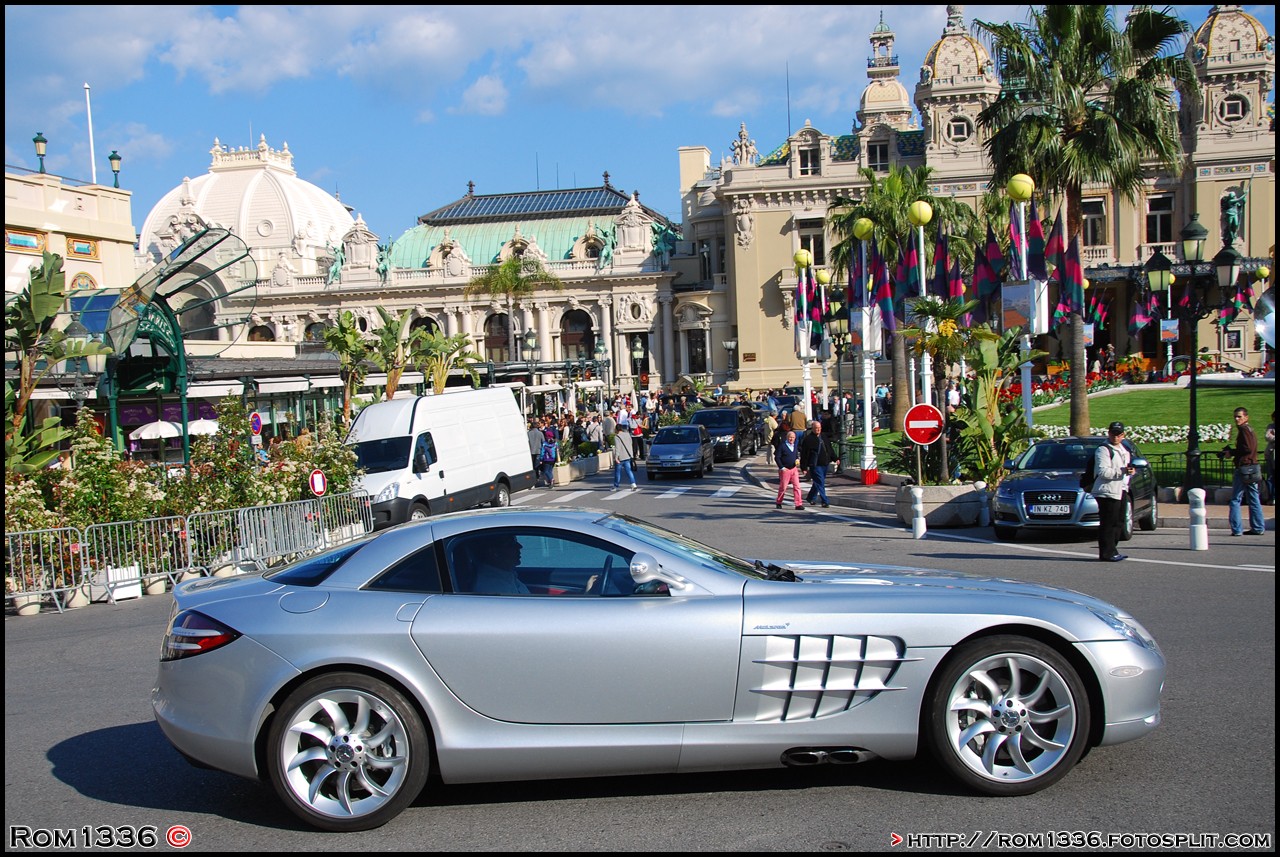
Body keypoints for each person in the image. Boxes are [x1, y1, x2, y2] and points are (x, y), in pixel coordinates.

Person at [1092, 421, 1134, 562]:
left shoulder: (1124, 450)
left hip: (1120, 489)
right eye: (1113, 434)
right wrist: (1122, 471)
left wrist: (1130, 471)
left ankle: (1113, 550)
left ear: (1123, 435)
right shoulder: (1103, 450)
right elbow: (1103, 472)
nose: (1115, 437)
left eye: (1118, 434)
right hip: (1106, 491)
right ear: (1108, 433)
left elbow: (1125, 469)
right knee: (1108, 522)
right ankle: (1106, 553)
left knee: (1119, 521)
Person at [1223, 407, 1265, 535]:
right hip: (1252, 467)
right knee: (1253, 498)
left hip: (1244, 467)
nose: (1236, 419)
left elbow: (1247, 448)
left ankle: (1236, 529)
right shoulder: (1250, 429)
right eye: (1235, 416)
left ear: (1246, 417)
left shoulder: (1244, 430)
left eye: (1239, 416)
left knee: (1236, 499)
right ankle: (1258, 527)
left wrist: (1232, 452)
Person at [467, 533, 531, 595]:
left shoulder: (507, 575)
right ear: (494, 552)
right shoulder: (491, 587)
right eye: (511, 543)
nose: (520, 546)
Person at [799, 420, 834, 508]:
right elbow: (804, 454)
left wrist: (835, 458)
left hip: (824, 463)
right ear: (812, 429)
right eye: (816, 428)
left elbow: (829, 448)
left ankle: (810, 497)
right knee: (820, 482)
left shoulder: (824, 437)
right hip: (815, 465)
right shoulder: (808, 439)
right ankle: (825, 501)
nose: (818, 430)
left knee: (817, 482)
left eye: (819, 428)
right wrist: (803, 467)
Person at [773, 429, 804, 510]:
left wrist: (797, 459)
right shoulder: (782, 445)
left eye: (793, 437)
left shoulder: (795, 446)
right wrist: (781, 467)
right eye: (790, 437)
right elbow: (777, 457)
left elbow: (796, 455)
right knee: (783, 487)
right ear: (787, 437)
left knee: (797, 487)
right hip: (785, 470)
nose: (791, 439)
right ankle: (779, 502)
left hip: (794, 469)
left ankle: (798, 504)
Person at [1265, 410, 1275, 506]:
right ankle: (1272, 497)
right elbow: (1268, 436)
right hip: (1271, 455)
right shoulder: (1270, 426)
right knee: (1270, 477)